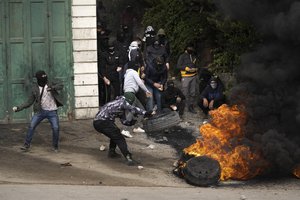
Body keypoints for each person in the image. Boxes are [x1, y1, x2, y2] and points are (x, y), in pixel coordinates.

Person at [93, 96, 153, 166]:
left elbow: (124, 122)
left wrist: (133, 122)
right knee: (119, 138)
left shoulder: (117, 105)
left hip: (97, 122)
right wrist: (145, 113)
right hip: (103, 121)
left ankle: (112, 152)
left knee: (115, 133)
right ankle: (128, 158)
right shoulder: (122, 102)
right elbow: (133, 108)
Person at [12, 70, 63, 152]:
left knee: (55, 128)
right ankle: (26, 145)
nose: (44, 80)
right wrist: (19, 108)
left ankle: (55, 146)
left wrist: (53, 88)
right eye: (42, 79)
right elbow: (29, 102)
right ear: (38, 79)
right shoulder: (35, 88)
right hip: (40, 111)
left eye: (45, 78)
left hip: (52, 111)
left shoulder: (50, 83)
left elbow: (61, 85)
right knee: (31, 126)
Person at [123, 61, 152, 135]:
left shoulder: (127, 74)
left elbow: (134, 83)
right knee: (132, 111)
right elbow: (140, 83)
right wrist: (146, 91)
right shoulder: (133, 72)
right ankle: (125, 130)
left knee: (141, 109)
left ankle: (137, 127)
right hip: (130, 94)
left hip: (129, 94)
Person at [176, 44, 199, 114]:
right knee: (185, 92)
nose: (190, 49)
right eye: (189, 47)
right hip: (185, 76)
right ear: (186, 48)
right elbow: (178, 66)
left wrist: (196, 68)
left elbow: (196, 65)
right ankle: (183, 107)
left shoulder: (194, 56)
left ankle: (190, 106)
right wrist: (186, 68)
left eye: (191, 47)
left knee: (193, 92)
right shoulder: (182, 56)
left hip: (193, 76)